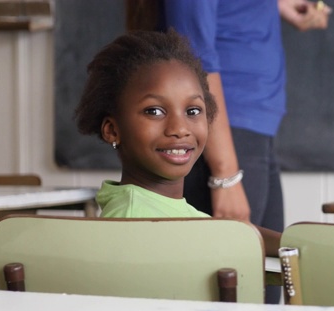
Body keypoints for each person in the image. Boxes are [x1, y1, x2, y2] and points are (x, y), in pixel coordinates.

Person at [75, 29, 280, 257]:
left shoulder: (168, 210)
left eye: (193, 110)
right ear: (112, 130)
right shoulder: (131, 219)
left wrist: (298, 244)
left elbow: (228, 233)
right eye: (154, 111)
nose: (180, 129)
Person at [157, 0, 331, 233]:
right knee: (230, 263)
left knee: (265, 263)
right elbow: (193, 59)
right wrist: (225, 176)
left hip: (253, 130)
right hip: (222, 132)